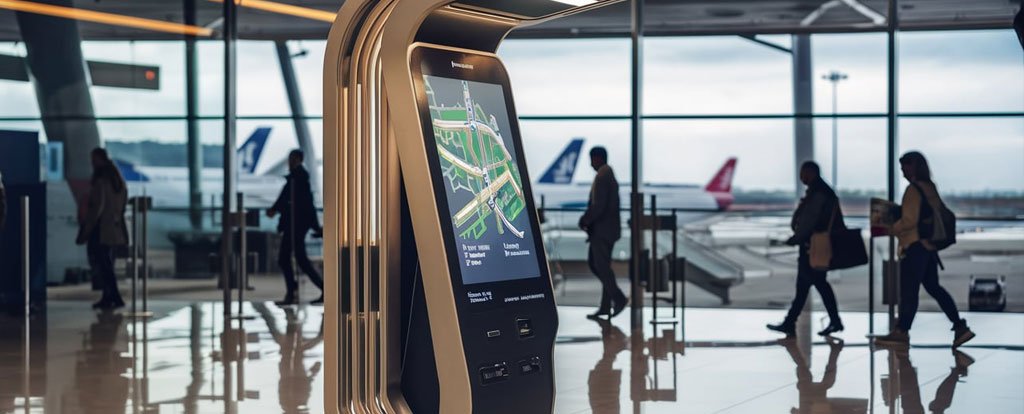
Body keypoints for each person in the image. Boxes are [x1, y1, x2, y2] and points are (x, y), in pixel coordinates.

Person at [875, 152, 974, 348]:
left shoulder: (913, 190)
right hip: (928, 247)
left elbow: (910, 220)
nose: (902, 170)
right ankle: (960, 326)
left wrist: (891, 228)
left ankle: (901, 332)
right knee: (934, 288)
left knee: (909, 291)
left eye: (905, 166)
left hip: (915, 246)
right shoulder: (929, 187)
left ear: (915, 167)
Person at [768, 161, 844, 337]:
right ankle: (794, 322)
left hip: (812, 247)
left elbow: (810, 220)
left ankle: (794, 322)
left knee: (812, 285)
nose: (801, 177)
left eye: (803, 173)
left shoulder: (818, 194)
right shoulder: (822, 191)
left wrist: (796, 238)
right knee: (809, 286)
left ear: (811, 173)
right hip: (815, 246)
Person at [268, 149, 324, 306]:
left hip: (296, 226)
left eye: (292, 158)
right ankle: (297, 291)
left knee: (286, 258)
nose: (289, 161)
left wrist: (315, 226)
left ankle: (293, 293)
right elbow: (292, 199)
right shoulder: (297, 178)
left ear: (299, 159)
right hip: (296, 225)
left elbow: (304, 203)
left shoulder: (298, 178)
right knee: (298, 259)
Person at [76, 148, 129, 310]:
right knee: (108, 264)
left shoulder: (101, 181)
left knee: (103, 265)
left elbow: (96, 208)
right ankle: (109, 297)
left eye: (93, 159)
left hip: (102, 230)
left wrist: (86, 229)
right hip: (114, 229)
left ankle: (114, 297)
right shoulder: (118, 181)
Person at [578, 146, 627, 319]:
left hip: (603, 231)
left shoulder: (603, 176)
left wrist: (585, 219)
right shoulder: (607, 174)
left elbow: (599, 205)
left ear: (597, 158)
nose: (590, 164)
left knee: (599, 265)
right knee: (599, 264)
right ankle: (606, 305)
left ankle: (618, 298)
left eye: (591, 159)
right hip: (607, 230)